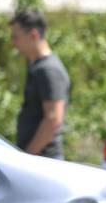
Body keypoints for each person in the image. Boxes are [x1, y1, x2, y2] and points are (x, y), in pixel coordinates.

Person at [9, 8, 70, 160]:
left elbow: (53, 119)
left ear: (33, 35)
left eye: (16, 37)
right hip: (38, 160)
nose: (13, 42)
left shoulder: (48, 69)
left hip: (45, 161)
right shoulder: (35, 65)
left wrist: (27, 158)